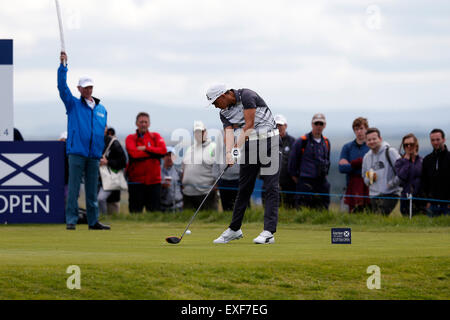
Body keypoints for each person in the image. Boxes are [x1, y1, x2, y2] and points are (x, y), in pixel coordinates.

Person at [206, 84, 281, 244]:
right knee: (244, 188)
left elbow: (249, 125)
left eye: (215, 102)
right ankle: (234, 229)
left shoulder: (247, 95)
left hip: (270, 141)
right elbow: (229, 133)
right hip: (250, 145)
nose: (215, 106)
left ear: (223, 96)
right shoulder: (223, 113)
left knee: (270, 187)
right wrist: (228, 154)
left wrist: (234, 150)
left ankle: (268, 232)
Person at [57, 52, 110, 230]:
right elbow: (62, 87)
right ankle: (71, 220)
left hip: (94, 154)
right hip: (77, 152)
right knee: (73, 189)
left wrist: (100, 151)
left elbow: (100, 132)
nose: (88, 90)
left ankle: (93, 221)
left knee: (92, 190)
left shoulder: (101, 109)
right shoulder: (73, 104)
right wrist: (63, 67)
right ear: (79, 89)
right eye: (85, 87)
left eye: (90, 87)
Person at [125, 112, 167, 213]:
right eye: (141, 122)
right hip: (136, 182)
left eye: (145, 122)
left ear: (149, 124)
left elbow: (163, 151)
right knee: (135, 213)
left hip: (154, 182)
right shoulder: (130, 138)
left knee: (154, 214)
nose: (143, 124)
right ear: (136, 123)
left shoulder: (156, 136)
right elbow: (133, 154)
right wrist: (153, 153)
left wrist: (146, 148)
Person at [288, 113, 331, 210]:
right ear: (312, 124)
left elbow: (328, 160)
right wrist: (297, 179)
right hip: (305, 180)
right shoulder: (302, 141)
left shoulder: (326, 142)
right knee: (303, 207)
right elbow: (292, 162)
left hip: (321, 181)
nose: (318, 126)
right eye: (316, 123)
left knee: (322, 207)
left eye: (321, 124)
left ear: (324, 125)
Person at [181, 121, 220, 211]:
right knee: (187, 220)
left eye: (201, 132)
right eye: (196, 132)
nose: (198, 134)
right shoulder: (190, 149)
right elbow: (184, 168)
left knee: (208, 220)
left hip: (206, 194)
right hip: (188, 193)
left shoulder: (213, 147)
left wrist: (216, 188)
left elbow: (219, 169)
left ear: (205, 132)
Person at [362, 128, 401, 215]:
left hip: (390, 193)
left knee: (380, 216)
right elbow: (364, 179)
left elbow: (401, 172)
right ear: (366, 141)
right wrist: (370, 179)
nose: (372, 141)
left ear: (380, 139)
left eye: (374, 139)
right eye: (369, 140)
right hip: (373, 195)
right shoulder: (366, 157)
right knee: (378, 221)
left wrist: (391, 184)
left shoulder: (390, 152)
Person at [338, 117, 370, 213]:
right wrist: (359, 164)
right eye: (356, 129)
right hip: (350, 187)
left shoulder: (371, 146)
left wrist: (350, 165)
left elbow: (373, 168)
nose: (359, 132)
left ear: (366, 129)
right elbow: (341, 168)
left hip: (368, 188)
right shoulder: (347, 147)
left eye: (361, 128)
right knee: (349, 217)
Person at [421, 129, 450, 217]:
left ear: (444, 140)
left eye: (438, 139)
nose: (435, 142)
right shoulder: (427, 159)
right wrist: (427, 201)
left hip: (448, 205)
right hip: (432, 206)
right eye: (433, 140)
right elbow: (424, 182)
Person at [98, 129, 127, 215]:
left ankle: (102, 218)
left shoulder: (114, 143)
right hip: (98, 180)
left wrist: (108, 162)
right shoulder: (91, 141)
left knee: (101, 199)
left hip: (110, 179)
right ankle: (101, 218)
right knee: (99, 200)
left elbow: (123, 162)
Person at [395, 133, 424, 216]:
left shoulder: (422, 161)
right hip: (406, 198)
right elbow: (401, 176)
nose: (409, 147)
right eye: (406, 145)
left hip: (421, 199)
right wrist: (406, 161)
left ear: (416, 145)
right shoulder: (399, 162)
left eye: (411, 144)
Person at [274, 114, 296, 208]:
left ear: (285, 126)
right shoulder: (268, 141)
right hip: (272, 180)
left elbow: (296, 161)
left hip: (289, 181)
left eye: (280, 125)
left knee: (290, 207)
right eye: (276, 125)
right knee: (272, 207)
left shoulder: (293, 142)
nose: (278, 128)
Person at [161, 147, 183, 212]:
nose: (169, 158)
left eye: (171, 155)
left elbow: (183, 188)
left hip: (178, 206)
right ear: (163, 157)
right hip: (162, 207)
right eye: (167, 155)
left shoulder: (179, 172)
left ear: (175, 158)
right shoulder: (157, 172)